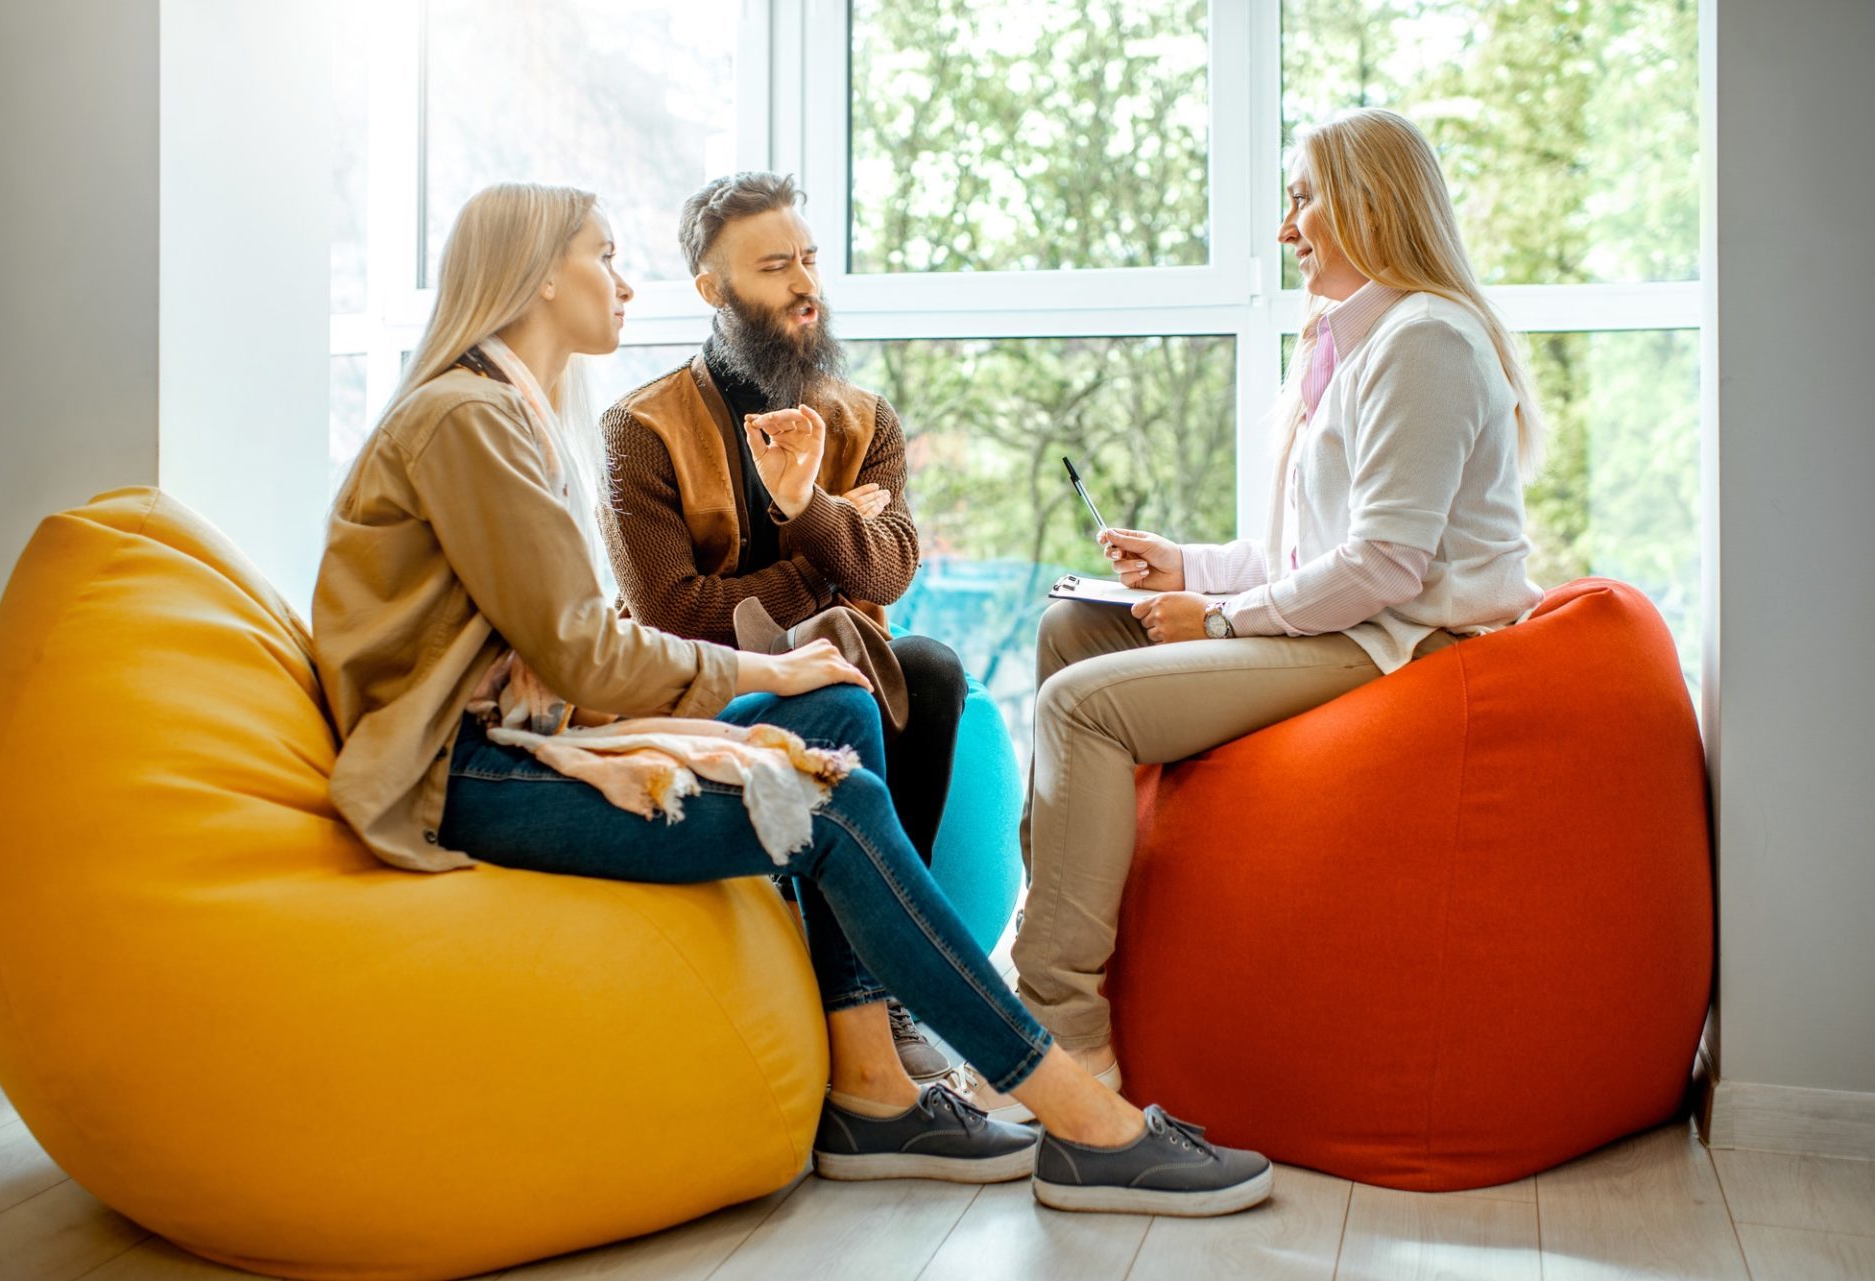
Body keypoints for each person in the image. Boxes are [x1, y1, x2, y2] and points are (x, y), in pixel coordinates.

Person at [311, 180, 1273, 1217]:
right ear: (540, 274)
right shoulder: (477, 420)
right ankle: (1089, 1122)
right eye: (602, 255)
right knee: (837, 798)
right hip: (472, 772)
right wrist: (779, 657)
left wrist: (804, 565)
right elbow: (607, 645)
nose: (621, 281)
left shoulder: (517, 414)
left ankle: (868, 1090)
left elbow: (879, 572)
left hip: (535, 743)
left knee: (844, 714)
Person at [970, 107, 1547, 1119]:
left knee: (1081, 710)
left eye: (1302, 197)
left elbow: (1387, 564)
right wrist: (1181, 567)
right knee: (1072, 631)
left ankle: (1063, 1034)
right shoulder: (1342, 340)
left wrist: (1225, 623)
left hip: (1408, 645)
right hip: (1354, 618)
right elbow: (1304, 551)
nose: (1289, 229)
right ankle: (1072, 930)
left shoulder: (1426, 343)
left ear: (1369, 202)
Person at [596, 171, 969, 1082]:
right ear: (714, 290)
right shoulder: (638, 428)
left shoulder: (865, 418)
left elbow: (887, 573)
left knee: (926, 668)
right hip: (702, 679)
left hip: (840, 661)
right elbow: (671, 614)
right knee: (840, 681)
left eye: (808, 259)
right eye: (774, 267)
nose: (806, 284)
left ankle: (885, 987)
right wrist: (821, 544)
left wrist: (804, 503)